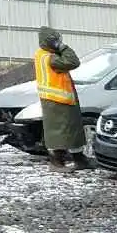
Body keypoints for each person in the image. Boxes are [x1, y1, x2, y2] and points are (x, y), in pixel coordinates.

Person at [34, 26, 83, 170]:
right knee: (60, 134)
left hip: (59, 98)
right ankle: (57, 162)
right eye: (56, 41)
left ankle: (79, 159)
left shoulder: (42, 53)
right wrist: (63, 47)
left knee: (71, 131)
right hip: (57, 99)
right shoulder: (50, 58)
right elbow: (73, 62)